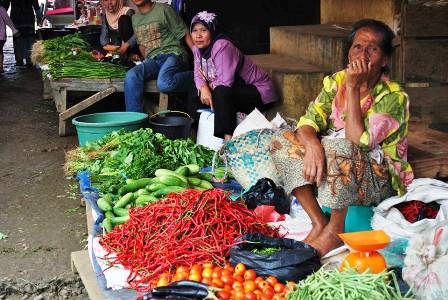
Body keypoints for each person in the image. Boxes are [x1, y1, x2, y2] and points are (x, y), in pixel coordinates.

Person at [270, 19, 413, 257]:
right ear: (348, 52)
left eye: (373, 49)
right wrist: (313, 145)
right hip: (341, 166)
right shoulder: (336, 81)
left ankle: (335, 230)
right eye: (358, 46)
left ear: (385, 60)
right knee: (281, 141)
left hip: (379, 176)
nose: (363, 54)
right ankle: (318, 222)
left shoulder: (394, 96)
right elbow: (308, 120)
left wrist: (354, 88)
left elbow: (356, 143)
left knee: (340, 146)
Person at [189, 11, 277, 140]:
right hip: (234, 91)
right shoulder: (197, 49)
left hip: (258, 93)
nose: (198, 35)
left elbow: (225, 82)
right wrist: (203, 88)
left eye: (203, 30)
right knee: (194, 90)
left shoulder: (222, 46)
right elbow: (197, 72)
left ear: (212, 32)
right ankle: (196, 133)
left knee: (221, 92)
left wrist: (208, 88)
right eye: (194, 30)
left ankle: (227, 141)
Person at [124, 0, 193, 112]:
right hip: (153, 60)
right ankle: (134, 123)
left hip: (173, 54)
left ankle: (194, 77)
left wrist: (200, 61)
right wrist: (145, 64)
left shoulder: (163, 9)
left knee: (164, 83)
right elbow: (142, 45)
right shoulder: (135, 18)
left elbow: (184, 33)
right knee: (131, 75)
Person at [1, 0, 41, 67]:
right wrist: (39, 15)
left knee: (19, 38)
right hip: (26, 17)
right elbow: (35, 4)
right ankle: (29, 59)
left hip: (18, 16)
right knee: (28, 38)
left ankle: (21, 60)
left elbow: (5, 4)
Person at [0, 3, 19, 73]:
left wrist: (14, 30)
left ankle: (0, 67)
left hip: (0, 35)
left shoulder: (1, 9)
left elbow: (8, 20)